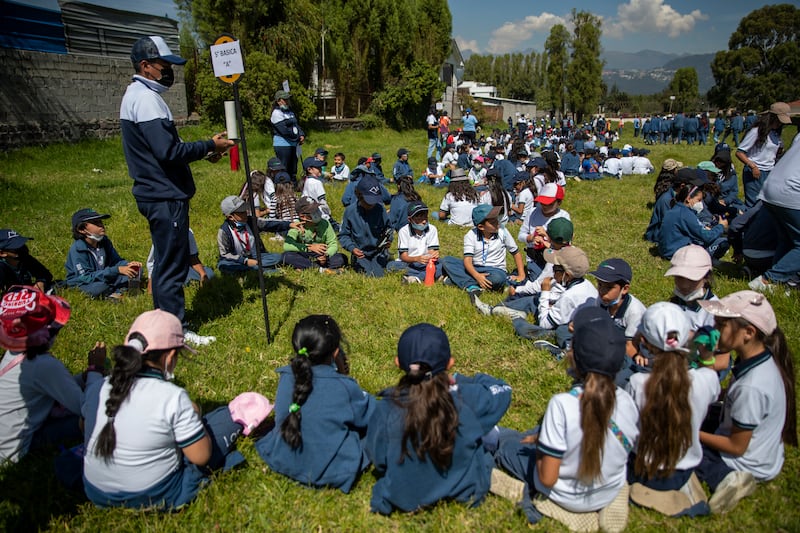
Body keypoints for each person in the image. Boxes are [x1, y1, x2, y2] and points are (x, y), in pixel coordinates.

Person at [82, 309, 272, 509]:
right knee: (223, 420)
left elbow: (83, 426)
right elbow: (201, 456)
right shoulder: (172, 398)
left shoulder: (98, 387)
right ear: (171, 357)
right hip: (157, 494)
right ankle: (239, 416)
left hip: (97, 492)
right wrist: (193, 416)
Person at [121, 36, 233, 343]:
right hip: (164, 196)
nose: (169, 71)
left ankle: (162, 325)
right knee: (171, 266)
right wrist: (210, 144)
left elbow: (165, 150)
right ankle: (175, 332)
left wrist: (207, 151)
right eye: (164, 65)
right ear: (146, 66)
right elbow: (168, 152)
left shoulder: (139, 95)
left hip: (158, 192)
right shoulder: (145, 99)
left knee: (166, 264)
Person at [493, 307, 638, 530]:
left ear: (574, 357)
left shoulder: (563, 405)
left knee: (506, 446)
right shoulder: (628, 401)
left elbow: (548, 478)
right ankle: (608, 499)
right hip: (607, 488)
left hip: (564, 496)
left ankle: (553, 508)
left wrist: (542, 448)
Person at [366, 323, 511, 514]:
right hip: (465, 491)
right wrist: (460, 379)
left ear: (398, 363)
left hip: (403, 497)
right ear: (450, 363)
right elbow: (503, 390)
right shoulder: (467, 398)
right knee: (504, 437)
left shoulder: (386, 407)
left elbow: (379, 458)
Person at [697, 291, 797, 513]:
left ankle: (727, 478)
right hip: (761, 451)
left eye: (721, 325)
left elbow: (737, 446)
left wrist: (692, 433)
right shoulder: (757, 358)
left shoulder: (751, 387)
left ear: (748, 332)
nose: (714, 330)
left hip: (745, 462)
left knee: (683, 449)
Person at [256, 315, 373, 493]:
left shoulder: (287, 376)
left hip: (283, 458)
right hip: (331, 471)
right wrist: (344, 375)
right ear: (335, 353)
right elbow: (372, 413)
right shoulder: (344, 387)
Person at [625, 302, 720, 517]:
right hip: (683, 473)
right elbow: (712, 383)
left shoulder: (638, 383)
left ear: (647, 343)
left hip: (642, 470)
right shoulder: (706, 380)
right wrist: (706, 357)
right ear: (688, 336)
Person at [0, 287, 105, 463]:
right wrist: (96, 369)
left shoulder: (15, 354)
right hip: (19, 449)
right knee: (100, 416)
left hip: (7, 439)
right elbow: (85, 407)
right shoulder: (43, 365)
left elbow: (57, 388)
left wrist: (83, 377)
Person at [749, 129, 800, 292]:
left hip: (771, 186)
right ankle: (769, 279)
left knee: (787, 240)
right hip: (791, 191)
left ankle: (779, 283)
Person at [440, 205, 526, 293]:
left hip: (495, 270)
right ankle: (473, 285)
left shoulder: (503, 231)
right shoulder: (471, 235)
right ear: (481, 227)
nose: (497, 223)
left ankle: (459, 282)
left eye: (496, 219)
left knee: (498, 279)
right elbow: (468, 260)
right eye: (493, 222)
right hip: (474, 268)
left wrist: (521, 275)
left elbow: (516, 253)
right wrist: (477, 275)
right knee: (447, 261)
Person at [65, 209, 141, 300]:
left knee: (136, 270)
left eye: (100, 221)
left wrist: (128, 265)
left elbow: (116, 261)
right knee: (99, 288)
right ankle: (118, 290)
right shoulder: (78, 249)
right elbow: (85, 277)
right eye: (95, 223)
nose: (101, 225)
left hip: (105, 276)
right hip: (85, 282)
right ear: (81, 229)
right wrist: (116, 270)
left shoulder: (104, 241)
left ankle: (115, 292)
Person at [216, 196, 299, 275]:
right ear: (230, 217)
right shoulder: (224, 232)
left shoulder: (251, 221)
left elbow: (268, 224)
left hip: (256, 257)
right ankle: (262, 270)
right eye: (241, 212)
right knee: (223, 265)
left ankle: (256, 269)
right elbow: (225, 254)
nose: (245, 214)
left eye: (245, 211)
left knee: (278, 257)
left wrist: (289, 224)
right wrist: (244, 261)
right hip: (237, 260)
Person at [658, 179, 728, 261]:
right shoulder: (685, 214)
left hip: (667, 249)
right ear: (688, 198)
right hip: (676, 253)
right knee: (723, 242)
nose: (700, 203)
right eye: (698, 200)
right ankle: (710, 261)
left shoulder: (675, 210)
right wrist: (721, 226)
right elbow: (707, 237)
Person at [338, 174, 393, 277]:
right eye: (368, 202)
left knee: (379, 275)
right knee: (366, 273)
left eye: (373, 201)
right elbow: (343, 235)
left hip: (378, 252)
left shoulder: (380, 209)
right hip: (360, 253)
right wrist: (352, 248)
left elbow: (388, 228)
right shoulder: (350, 211)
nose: (371, 205)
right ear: (360, 196)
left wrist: (388, 240)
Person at [736, 102, 789, 207]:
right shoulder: (756, 131)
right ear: (772, 117)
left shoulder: (776, 134)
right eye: (779, 120)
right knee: (753, 204)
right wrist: (753, 166)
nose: (780, 124)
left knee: (766, 204)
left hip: (770, 171)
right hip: (755, 171)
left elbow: (776, 154)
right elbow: (740, 152)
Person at [282, 197, 347, 272]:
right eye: (313, 211)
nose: (318, 212)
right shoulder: (297, 225)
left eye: (317, 209)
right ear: (302, 216)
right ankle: (319, 268)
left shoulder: (325, 223)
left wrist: (326, 254)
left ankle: (306, 266)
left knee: (341, 258)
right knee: (287, 256)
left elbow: (333, 243)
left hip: (322, 254)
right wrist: (309, 247)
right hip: (305, 253)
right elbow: (287, 246)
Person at [387, 202, 441, 284]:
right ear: (410, 219)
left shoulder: (432, 229)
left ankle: (416, 278)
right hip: (409, 262)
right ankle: (430, 275)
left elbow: (432, 250)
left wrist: (434, 254)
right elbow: (403, 256)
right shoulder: (404, 231)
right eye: (419, 219)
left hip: (426, 263)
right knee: (391, 266)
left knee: (443, 263)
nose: (423, 222)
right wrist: (416, 259)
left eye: (425, 218)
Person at [146, 229, 213, 290]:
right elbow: (152, 263)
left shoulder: (188, 233)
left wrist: (203, 274)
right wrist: (151, 285)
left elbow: (193, 258)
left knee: (210, 273)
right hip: (166, 271)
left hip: (183, 269)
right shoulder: (161, 235)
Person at [0, 229, 54, 295]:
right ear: (2, 253)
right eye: (17, 247)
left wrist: (40, 282)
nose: (23, 248)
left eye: (22, 244)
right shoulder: (2, 267)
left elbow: (45, 274)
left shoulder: (25, 259)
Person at [270, 89, 305, 186]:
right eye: (285, 99)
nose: (287, 101)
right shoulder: (276, 113)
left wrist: (301, 134)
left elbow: (296, 125)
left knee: (293, 167)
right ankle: (282, 186)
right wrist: (297, 137)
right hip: (282, 144)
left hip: (293, 144)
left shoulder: (290, 112)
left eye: (288, 99)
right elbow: (284, 131)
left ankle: (293, 185)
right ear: (278, 101)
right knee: (284, 167)